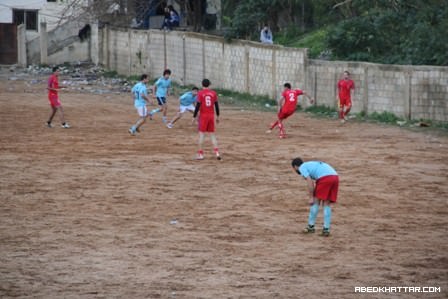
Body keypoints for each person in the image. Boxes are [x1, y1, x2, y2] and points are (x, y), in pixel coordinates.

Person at [291, 157, 339, 237]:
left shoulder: (302, 167)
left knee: (316, 201)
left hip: (325, 178)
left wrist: (311, 197)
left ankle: (311, 226)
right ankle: (326, 229)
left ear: (295, 167)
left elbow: (310, 182)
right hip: (335, 177)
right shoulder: (310, 164)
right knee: (326, 203)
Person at [192, 79, 221, 160]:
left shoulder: (200, 93)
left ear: (202, 85)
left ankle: (201, 154)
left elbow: (197, 106)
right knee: (212, 135)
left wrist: (194, 117)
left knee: (201, 135)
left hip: (204, 116)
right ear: (209, 85)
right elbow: (216, 105)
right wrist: (218, 116)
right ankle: (217, 153)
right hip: (211, 116)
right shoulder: (213, 93)